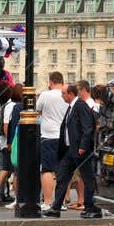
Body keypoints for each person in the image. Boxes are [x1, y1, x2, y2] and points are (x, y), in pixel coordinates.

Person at [44, 81, 102, 218]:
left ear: (70, 94)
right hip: (70, 151)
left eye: (63, 94)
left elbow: (88, 128)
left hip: (80, 150)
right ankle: (56, 208)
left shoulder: (80, 105)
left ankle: (91, 208)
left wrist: (83, 146)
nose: (62, 96)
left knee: (88, 179)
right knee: (62, 177)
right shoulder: (71, 107)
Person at [36, 72, 68, 208]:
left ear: (51, 82)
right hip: (64, 137)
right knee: (63, 170)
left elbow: (37, 111)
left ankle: (48, 201)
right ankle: (62, 202)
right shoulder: (68, 95)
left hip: (48, 135)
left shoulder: (45, 95)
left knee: (47, 170)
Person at [0, 87, 18, 206]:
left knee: (6, 168)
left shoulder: (5, 104)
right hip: (8, 144)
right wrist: (9, 142)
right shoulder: (12, 106)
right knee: (9, 169)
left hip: (5, 142)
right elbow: (6, 125)